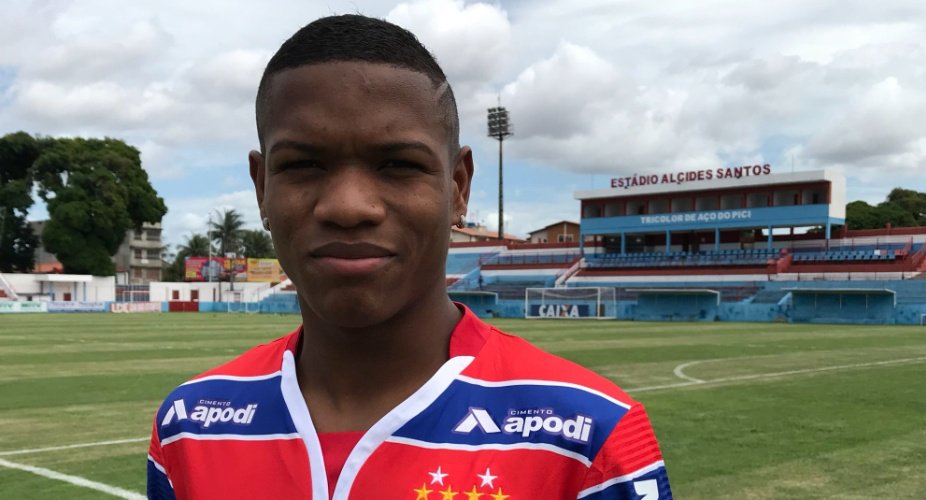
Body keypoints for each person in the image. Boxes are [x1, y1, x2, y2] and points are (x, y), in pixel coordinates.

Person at [147, 14, 671, 499]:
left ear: (458, 186)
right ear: (262, 187)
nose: (348, 207)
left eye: (398, 164)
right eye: (303, 164)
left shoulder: (588, 440)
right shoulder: (189, 427)